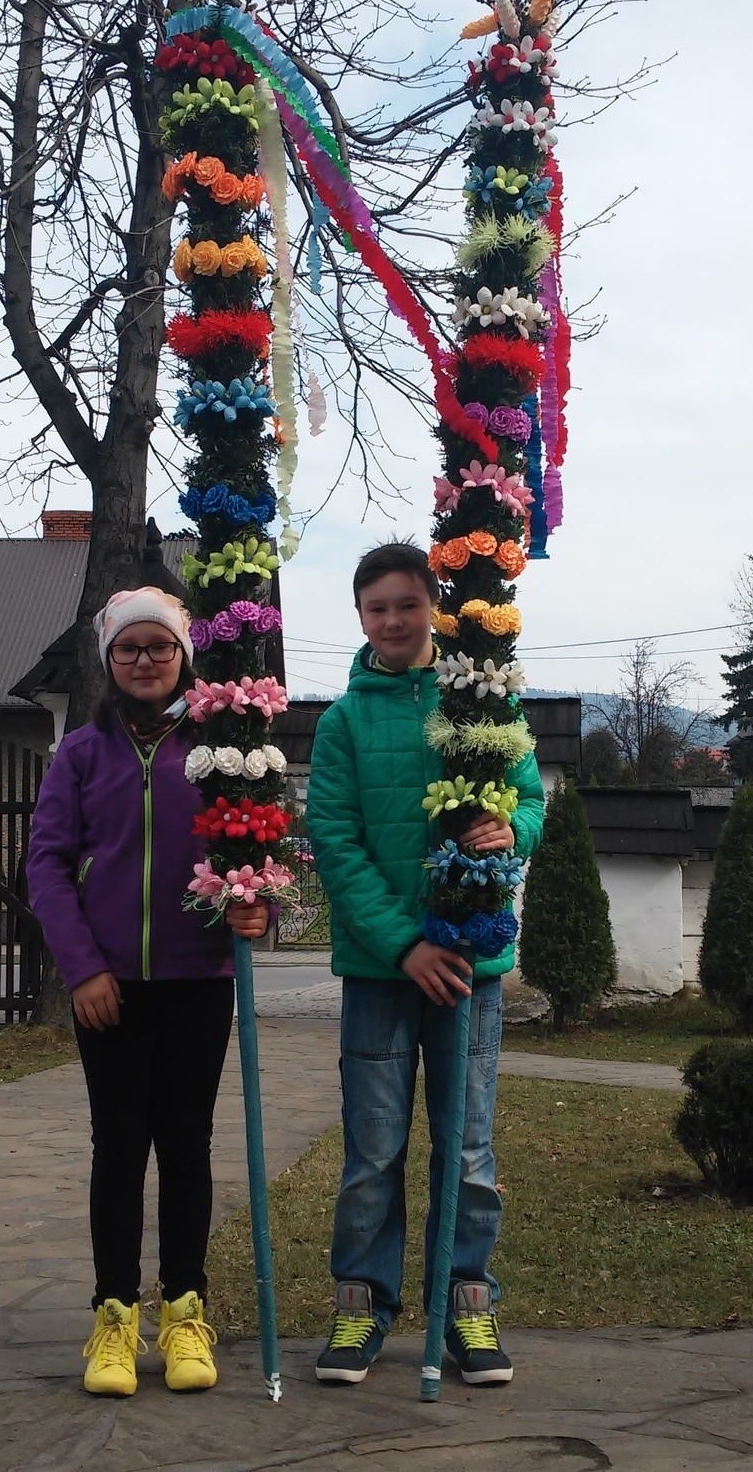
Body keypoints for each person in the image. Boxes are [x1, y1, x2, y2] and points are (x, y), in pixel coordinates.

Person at [306, 541, 544, 1388]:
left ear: (432, 607)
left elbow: (532, 794)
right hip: (382, 970)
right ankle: (361, 1305)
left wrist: (510, 830)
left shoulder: (479, 699)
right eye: (378, 608)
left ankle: (466, 1303)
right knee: (373, 1149)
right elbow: (335, 843)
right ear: (362, 618)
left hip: (472, 967)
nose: (394, 620)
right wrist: (404, 945)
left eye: (409, 604)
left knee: (468, 1147)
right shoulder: (343, 723)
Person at [26, 588, 270, 1398]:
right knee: (118, 1148)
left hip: (199, 980)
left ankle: (187, 1311)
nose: (143, 661)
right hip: (110, 989)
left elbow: (260, 844)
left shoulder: (221, 748)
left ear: (184, 656)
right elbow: (48, 867)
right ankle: (115, 1317)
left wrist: (256, 899)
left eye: (158, 648)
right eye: (128, 649)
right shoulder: (81, 755)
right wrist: (82, 969)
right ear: (107, 661)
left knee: (187, 1145)